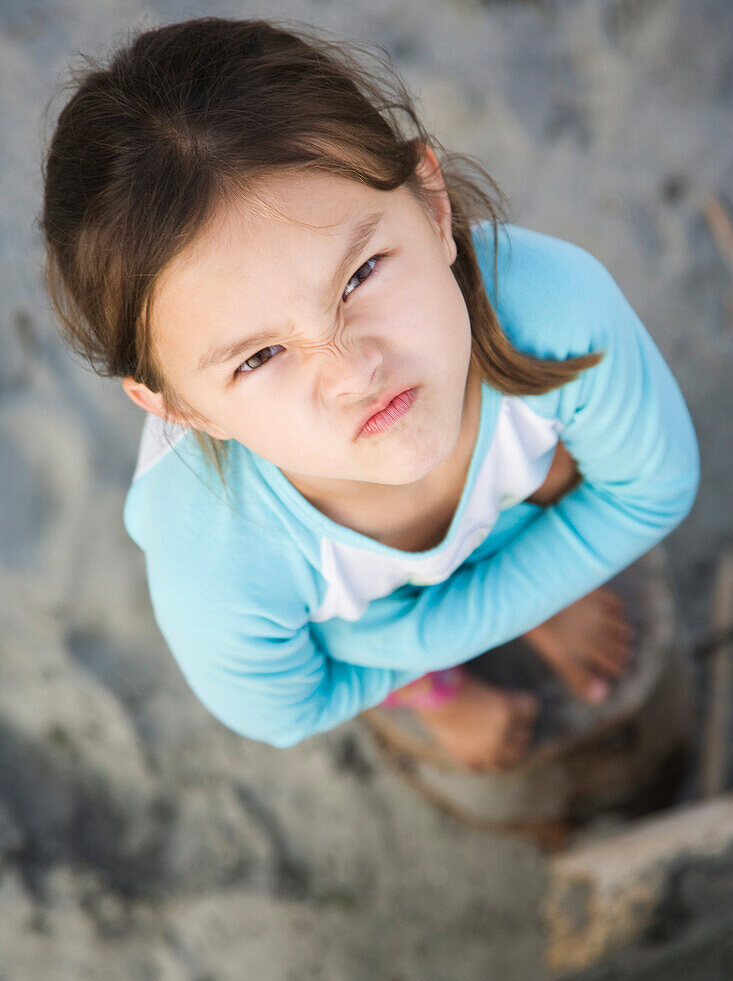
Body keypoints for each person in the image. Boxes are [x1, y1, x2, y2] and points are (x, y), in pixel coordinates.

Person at [39, 16, 699, 772]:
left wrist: (397, 638)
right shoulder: (219, 557)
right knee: (523, 499)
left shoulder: (552, 308)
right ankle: (434, 687)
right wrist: (425, 663)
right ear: (183, 411)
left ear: (431, 205)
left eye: (359, 275)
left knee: (545, 468)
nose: (354, 373)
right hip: (358, 601)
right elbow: (289, 709)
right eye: (259, 357)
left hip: (391, 611)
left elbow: (657, 488)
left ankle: (511, 565)